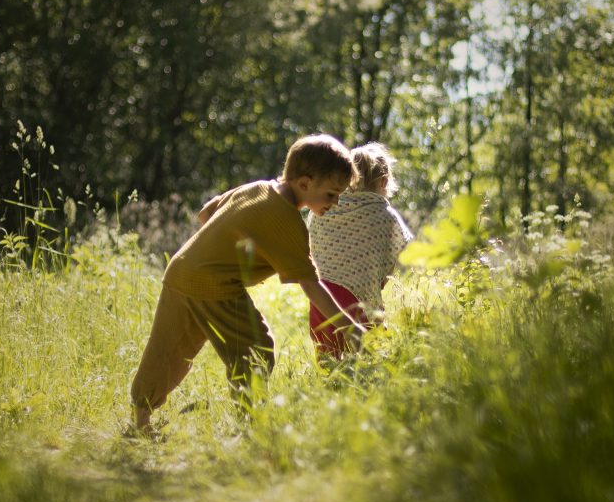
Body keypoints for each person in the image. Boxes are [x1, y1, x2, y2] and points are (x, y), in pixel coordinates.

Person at [130, 134, 368, 433]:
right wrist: (349, 326)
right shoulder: (288, 222)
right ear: (305, 184)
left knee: (166, 349)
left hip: (182, 269)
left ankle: (140, 423)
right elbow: (312, 286)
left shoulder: (257, 188)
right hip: (215, 285)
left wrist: (229, 245)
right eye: (332, 194)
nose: (335, 203)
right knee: (255, 347)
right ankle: (250, 423)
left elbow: (206, 212)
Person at [306, 142, 413, 359]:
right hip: (359, 303)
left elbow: (314, 249)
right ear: (384, 181)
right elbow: (392, 262)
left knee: (329, 363)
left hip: (321, 299)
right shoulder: (384, 214)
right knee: (368, 363)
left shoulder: (324, 208)